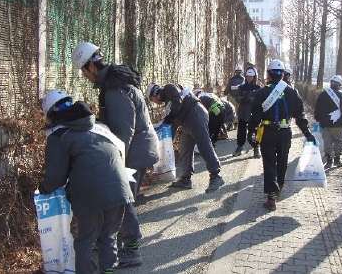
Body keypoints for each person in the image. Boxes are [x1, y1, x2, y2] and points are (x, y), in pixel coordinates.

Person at [71, 42, 159, 268]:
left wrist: (115, 164)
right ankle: (120, 242)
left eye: (82, 71)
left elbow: (123, 132)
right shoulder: (115, 82)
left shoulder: (115, 89)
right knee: (123, 198)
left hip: (134, 150)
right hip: (138, 146)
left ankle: (131, 248)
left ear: (91, 66)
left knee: (122, 198)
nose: (84, 76)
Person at [39, 89, 134, 274]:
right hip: (121, 188)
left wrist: (43, 188)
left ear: (52, 114)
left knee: (85, 240)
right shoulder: (99, 126)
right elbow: (119, 151)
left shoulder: (58, 135)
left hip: (90, 193)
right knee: (108, 237)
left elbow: (55, 177)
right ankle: (108, 271)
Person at [247, 59, 316, 211]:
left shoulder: (262, 92)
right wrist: (307, 133)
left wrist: (251, 132)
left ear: (268, 75)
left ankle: (271, 197)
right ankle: (280, 187)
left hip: (267, 132)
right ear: (283, 75)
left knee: (269, 162)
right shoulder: (292, 92)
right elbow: (300, 116)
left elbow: (255, 115)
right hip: (285, 132)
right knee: (282, 160)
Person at [146, 83, 224, 194]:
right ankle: (185, 179)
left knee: (203, 144)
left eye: (152, 100)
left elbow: (177, 101)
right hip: (187, 123)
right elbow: (171, 124)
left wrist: (169, 118)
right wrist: (165, 143)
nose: (154, 102)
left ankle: (216, 176)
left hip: (196, 115)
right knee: (184, 148)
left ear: (154, 95)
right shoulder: (168, 104)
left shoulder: (169, 88)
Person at [314, 75, 342, 168]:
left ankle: (329, 161)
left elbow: (317, 108)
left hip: (325, 123)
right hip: (337, 124)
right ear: (340, 84)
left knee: (327, 142)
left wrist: (318, 119)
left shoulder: (323, 94)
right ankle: (337, 160)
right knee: (338, 141)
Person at [233, 67, 261, 158]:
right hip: (243, 113)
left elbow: (260, 99)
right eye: (248, 76)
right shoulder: (241, 87)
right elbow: (237, 97)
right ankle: (239, 147)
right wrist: (242, 99)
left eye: (251, 76)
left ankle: (256, 148)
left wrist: (250, 99)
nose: (249, 78)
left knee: (255, 131)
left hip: (254, 113)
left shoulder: (258, 88)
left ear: (254, 77)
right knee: (241, 131)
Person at [224, 65, 245, 129]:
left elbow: (228, 88)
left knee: (232, 111)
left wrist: (225, 93)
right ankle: (236, 124)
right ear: (241, 71)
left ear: (235, 71)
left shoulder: (232, 79)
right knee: (239, 111)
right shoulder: (243, 79)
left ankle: (231, 124)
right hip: (240, 98)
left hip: (232, 97)